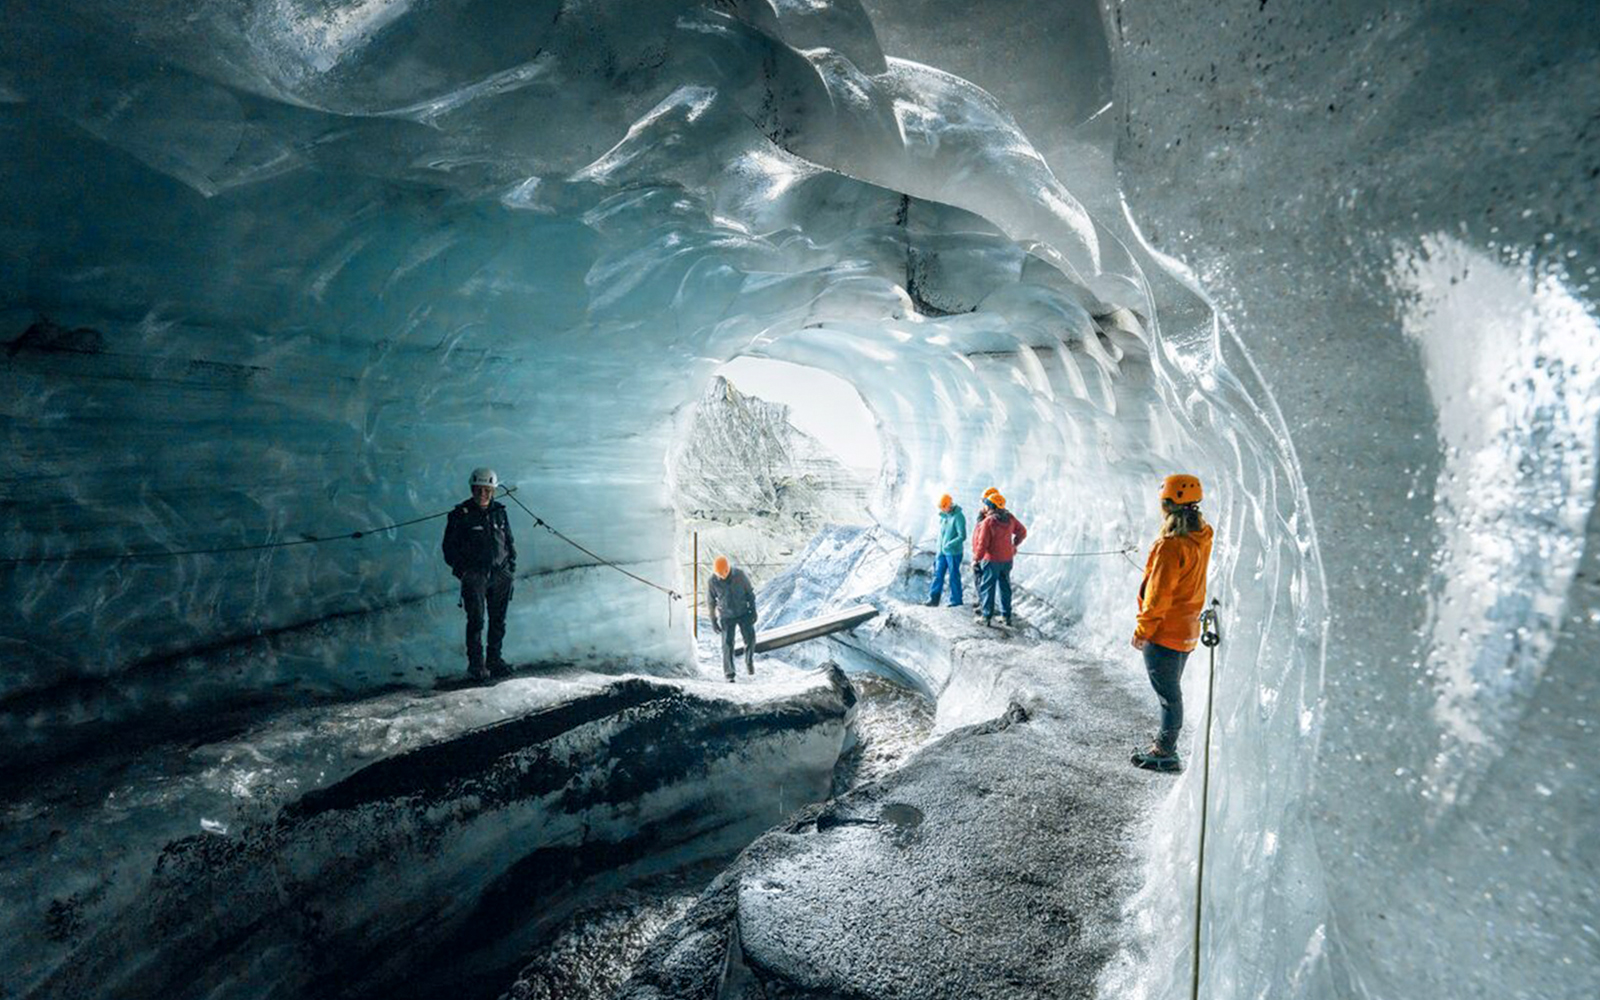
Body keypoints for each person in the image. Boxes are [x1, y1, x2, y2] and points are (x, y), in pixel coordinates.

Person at [1130, 474, 1214, 772]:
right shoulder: (1202, 537)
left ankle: (1165, 751)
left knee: (1169, 697)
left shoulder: (1170, 546)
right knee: (1172, 692)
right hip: (1187, 630)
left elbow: (1158, 596)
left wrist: (1143, 630)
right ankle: (1166, 747)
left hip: (1164, 632)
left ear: (1167, 505)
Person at [441, 467, 517, 681]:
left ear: (492, 490)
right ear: (472, 489)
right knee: (476, 621)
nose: (482, 494)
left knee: (498, 620)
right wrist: (463, 572)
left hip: (501, 574)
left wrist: (510, 567)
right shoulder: (460, 515)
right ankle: (476, 665)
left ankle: (494, 660)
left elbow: (509, 541)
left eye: (486, 490)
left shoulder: (500, 512)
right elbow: (449, 548)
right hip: (475, 576)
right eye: (478, 490)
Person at [972, 492, 1026, 626]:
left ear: (991, 505)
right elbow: (1022, 531)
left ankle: (986, 617)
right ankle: (1006, 617)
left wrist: (976, 559)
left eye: (986, 504)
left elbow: (982, 543)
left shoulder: (988, 522)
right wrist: (1014, 545)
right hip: (1007, 560)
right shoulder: (1010, 518)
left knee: (987, 588)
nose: (984, 506)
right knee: (1005, 587)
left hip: (991, 560)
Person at [708, 555, 759, 682]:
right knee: (727, 644)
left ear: (728, 569)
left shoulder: (740, 575)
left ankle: (749, 662)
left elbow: (750, 594)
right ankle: (729, 674)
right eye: (718, 573)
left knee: (750, 639)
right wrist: (713, 620)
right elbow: (711, 602)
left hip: (743, 613)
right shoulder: (712, 581)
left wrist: (753, 611)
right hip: (726, 616)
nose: (721, 575)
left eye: (723, 572)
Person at [925, 494, 967, 607]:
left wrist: (949, 545)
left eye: (943, 507)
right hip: (942, 552)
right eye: (941, 507)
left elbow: (962, 536)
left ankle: (956, 601)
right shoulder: (944, 517)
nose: (942, 509)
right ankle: (933, 599)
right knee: (937, 574)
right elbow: (942, 535)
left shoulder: (958, 516)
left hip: (953, 552)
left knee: (953, 576)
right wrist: (940, 547)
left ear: (949, 505)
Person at [971, 487, 999, 616]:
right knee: (980, 578)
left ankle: (985, 605)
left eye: (984, 502)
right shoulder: (983, 516)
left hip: (986, 554)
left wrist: (978, 556)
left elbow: (984, 538)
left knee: (984, 579)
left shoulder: (990, 519)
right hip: (981, 552)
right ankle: (982, 601)